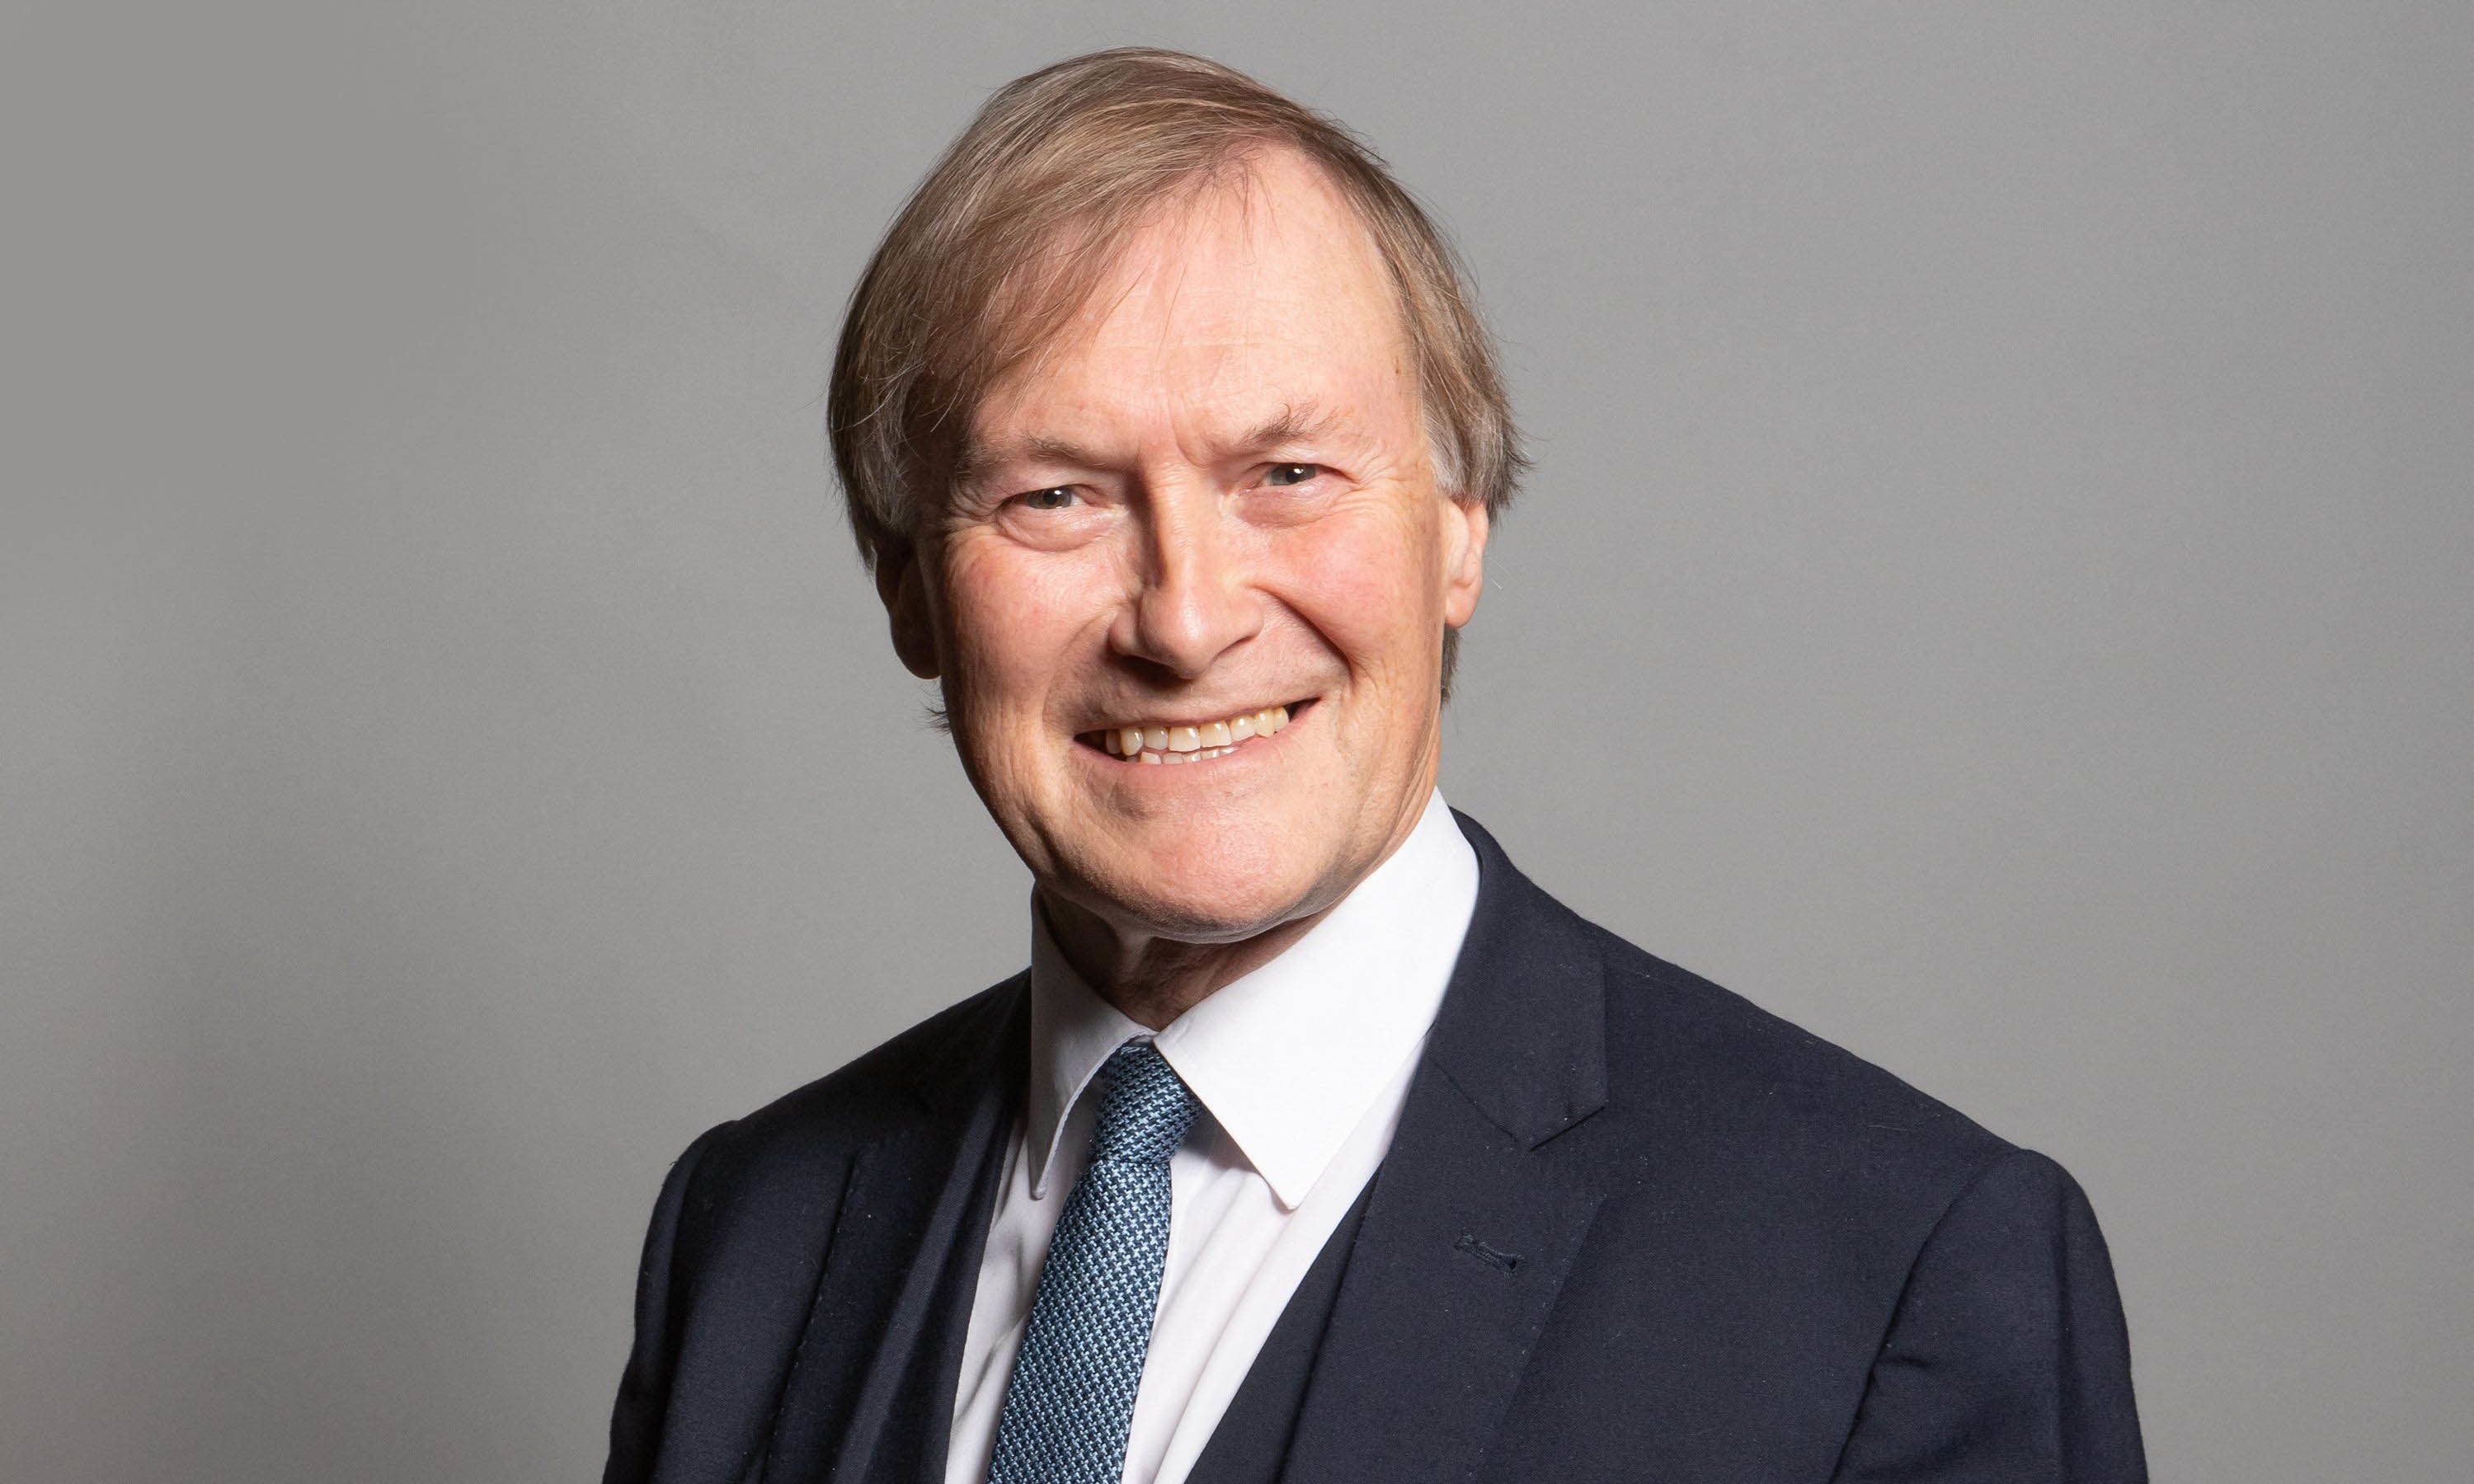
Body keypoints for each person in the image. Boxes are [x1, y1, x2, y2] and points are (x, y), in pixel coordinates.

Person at [603, 47, 2144, 1484]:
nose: (1187, 620)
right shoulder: (754, 1235)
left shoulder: (1893, 1274)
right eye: (1057, 496)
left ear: (1461, 528)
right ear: (905, 587)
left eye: (1288, 474)